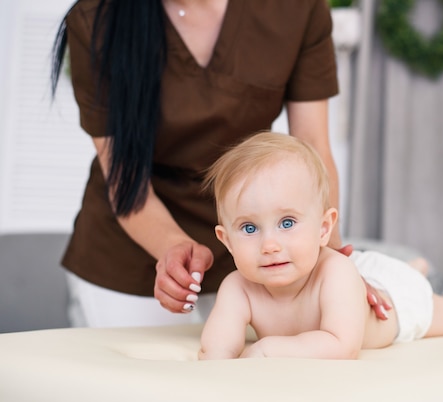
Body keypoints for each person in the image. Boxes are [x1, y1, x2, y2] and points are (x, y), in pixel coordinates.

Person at [49, 0, 392, 327]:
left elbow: (313, 151)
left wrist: (332, 266)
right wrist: (171, 248)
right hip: (133, 255)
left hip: (258, 247)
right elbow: (125, 179)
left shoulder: (296, 9)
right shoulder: (97, 18)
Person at [198, 132, 443, 360]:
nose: (269, 244)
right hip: (357, 287)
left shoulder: (333, 273)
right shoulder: (238, 288)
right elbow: (216, 351)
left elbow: (343, 345)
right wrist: (218, 360)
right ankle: (415, 268)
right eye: (249, 228)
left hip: (393, 305)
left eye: (287, 223)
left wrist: (267, 349)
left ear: (324, 229)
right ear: (226, 240)